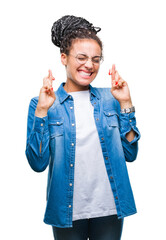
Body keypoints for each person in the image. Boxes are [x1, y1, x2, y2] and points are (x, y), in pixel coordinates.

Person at [25, 15, 141, 240]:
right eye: (82, 57)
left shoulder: (112, 99)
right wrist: (41, 112)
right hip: (66, 209)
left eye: (96, 59)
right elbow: (37, 163)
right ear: (64, 58)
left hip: (109, 207)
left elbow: (131, 153)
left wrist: (126, 104)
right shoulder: (44, 103)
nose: (89, 65)